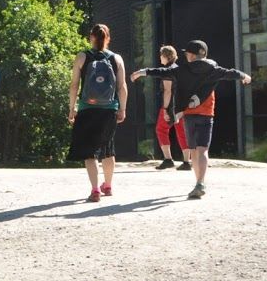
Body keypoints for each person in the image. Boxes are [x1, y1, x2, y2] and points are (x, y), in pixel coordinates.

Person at [131, 40, 252, 200]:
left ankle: (198, 182)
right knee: (202, 150)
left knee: (194, 150)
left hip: (188, 115)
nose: (186, 55)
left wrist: (142, 72)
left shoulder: (182, 70)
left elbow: (163, 72)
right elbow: (231, 73)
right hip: (206, 114)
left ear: (192, 55)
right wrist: (245, 76)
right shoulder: (214, 69)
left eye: (187, 53)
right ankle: (200, 182)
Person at [67, 24, 128, 203]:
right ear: (108, 38)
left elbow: (74, 85)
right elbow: (122, 87)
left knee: (89, 151)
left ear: (91, 37)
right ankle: (107, 186)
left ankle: (95, 190)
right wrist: (122, 108)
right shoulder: (117, 58)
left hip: (87, 108)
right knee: (108, 148)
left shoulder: (82, 56)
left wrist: (72, 107)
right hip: (109, 108)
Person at [139, 45, 189, 171]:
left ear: (166, 56)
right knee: (182, 132)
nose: (160, 58)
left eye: (161, 55)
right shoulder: (179, 69)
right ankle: (186, 161)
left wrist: (165, 109)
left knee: (161, 129)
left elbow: (167, 91)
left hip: (171, 106)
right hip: (182, 106)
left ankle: (168, 159)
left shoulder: (168, 71)